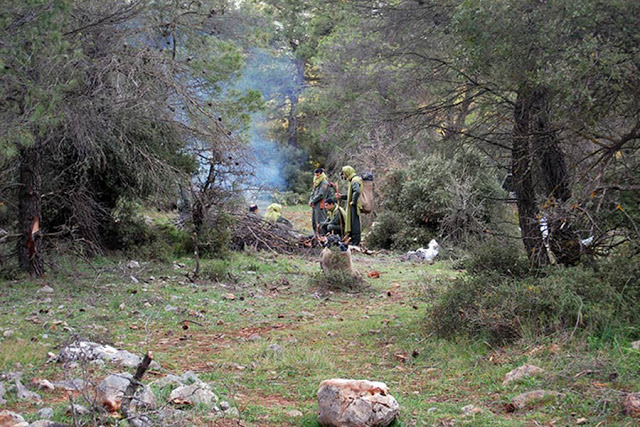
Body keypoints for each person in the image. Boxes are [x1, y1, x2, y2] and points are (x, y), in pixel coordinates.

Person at [336, 165, 362, 246]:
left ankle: (356, 241)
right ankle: (352, 240)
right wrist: (341, 196)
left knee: (355, 224)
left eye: (344, 173)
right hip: (353, 205)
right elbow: (350, 195)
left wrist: (353, 202)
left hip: (354, 206)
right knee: (352, 222)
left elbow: (357, 191)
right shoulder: (353, 180)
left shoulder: (354, 180)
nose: (343, 175)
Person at [309, 168, 330, 236]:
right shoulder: (316, 181)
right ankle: (316, 235)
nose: (316, 176)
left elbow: (321, 194)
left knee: (320, 220)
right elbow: (313, 191)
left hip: (320, 204)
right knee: (314, 220)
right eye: (315, 174)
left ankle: (322, 235)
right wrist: (311, 200)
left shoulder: (324, 182)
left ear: (321, 173)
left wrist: (313, 200)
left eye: (317, 174)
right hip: (314, 203)